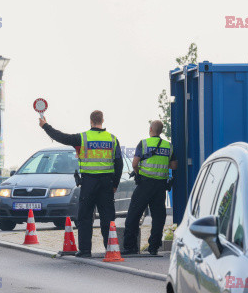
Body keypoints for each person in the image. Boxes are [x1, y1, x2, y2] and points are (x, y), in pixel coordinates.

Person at [39, 110, 123, 257]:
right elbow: (119, 164)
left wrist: (45, 126)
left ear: (91, 121)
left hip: (89, 182)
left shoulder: (83, 138)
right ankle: (111, 249)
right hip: (106, 183)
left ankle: (85, 251)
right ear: (102, 121)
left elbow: (61, 137)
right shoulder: (113, 139)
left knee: (84, 216)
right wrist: (115, 183)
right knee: (107, 218)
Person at [123, 120, 177, 255]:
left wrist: (138, 173)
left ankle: (130, 247)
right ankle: (153, 247)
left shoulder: (143, 143)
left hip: (145, 184)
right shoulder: (168, 146)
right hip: (160, 186)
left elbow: (135, 163)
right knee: (159, 217)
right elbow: (174, 166)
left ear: (151, 129)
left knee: (134, 215)